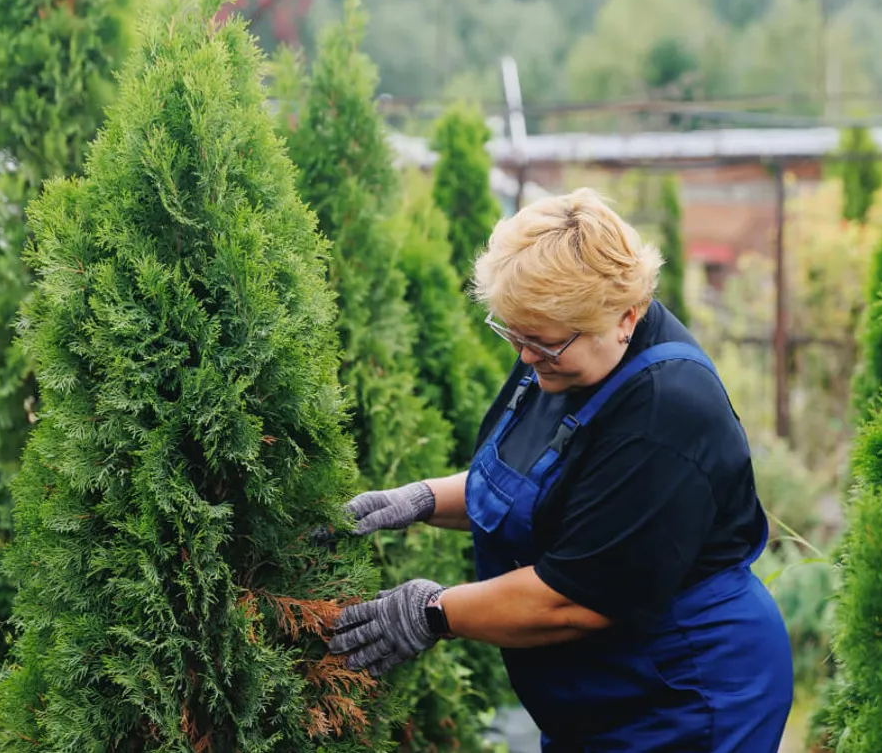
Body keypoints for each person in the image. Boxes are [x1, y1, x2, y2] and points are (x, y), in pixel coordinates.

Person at [326, 188, 793, 751]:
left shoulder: (664, 411)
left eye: (542, 343)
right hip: (597, 693)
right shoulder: (563, 356)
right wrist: (422, 499)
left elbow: (574, 598)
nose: (525, 357)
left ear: (626, 316)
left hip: (683, 690)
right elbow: (537, 492)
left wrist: (433, 612)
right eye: (514, 335)